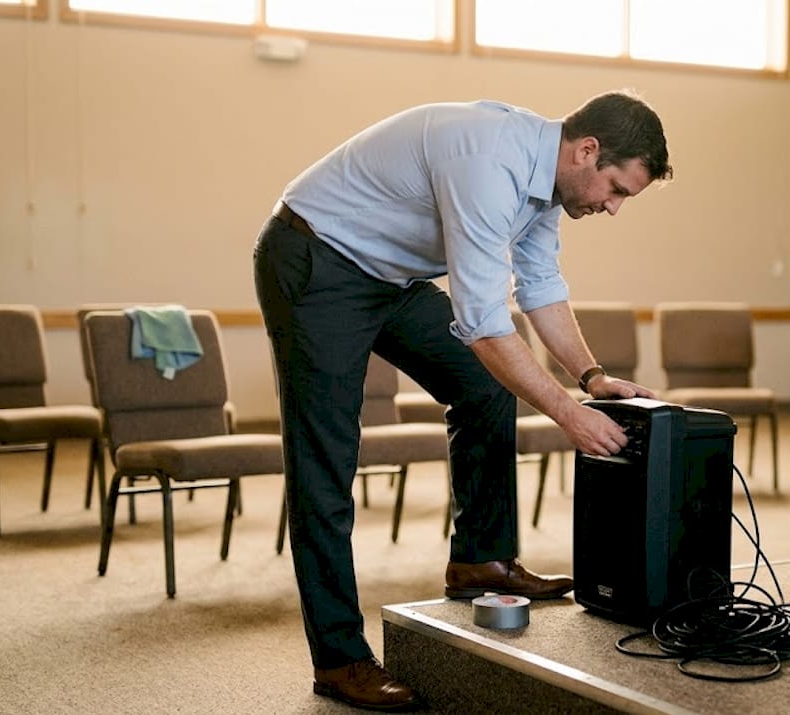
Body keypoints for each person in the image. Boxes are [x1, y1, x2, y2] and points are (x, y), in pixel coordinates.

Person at [253, 89, 672, 711]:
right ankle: (339, 659)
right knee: (326, 454)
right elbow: (483, 323)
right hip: (317, 257)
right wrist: (566, 413)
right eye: (616, 190)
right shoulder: (489, 160)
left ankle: (481, 562)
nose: (611, 207)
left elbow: (540, 286)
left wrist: (591, 378)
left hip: (390, 278)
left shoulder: (547, 184)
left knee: (483, 387)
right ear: (587, 151)